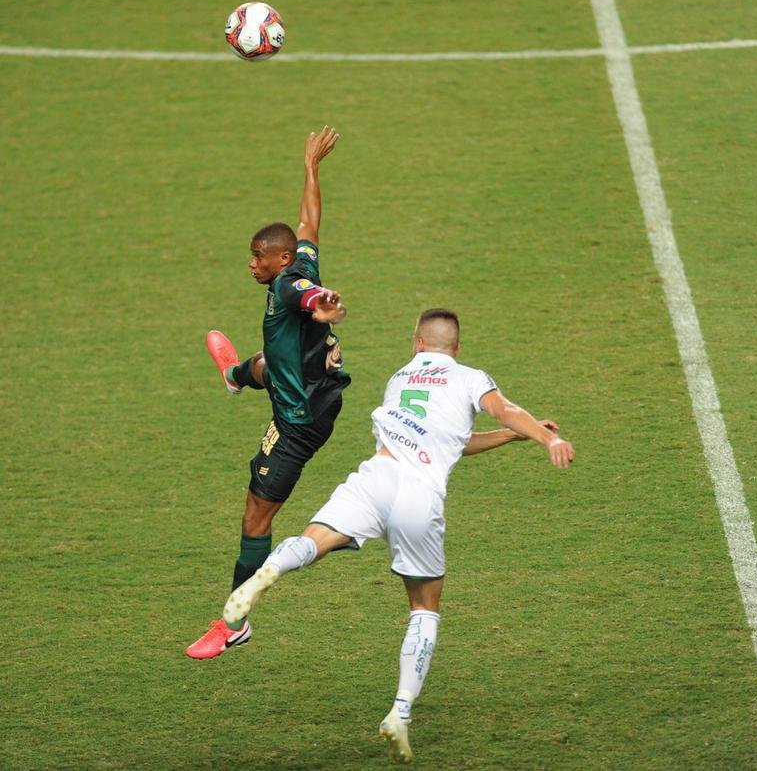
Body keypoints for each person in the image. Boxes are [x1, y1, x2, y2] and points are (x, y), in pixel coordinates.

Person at [217, 308, 574, 763]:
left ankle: (266, 574)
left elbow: (452, 438)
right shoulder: (470, 378)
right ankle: (400, 712)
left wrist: (508, 438)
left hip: (377, 478)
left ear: (417, 344)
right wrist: (546, 439)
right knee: (424, 606)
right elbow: (505, 409)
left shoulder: (400, 378)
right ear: (457, 348)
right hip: (419, 497)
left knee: (316, 539)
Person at [186, 127, 351, 660]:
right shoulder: (301, 259)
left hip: (297, 422)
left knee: (255, 517)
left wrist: (324, 305)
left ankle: (234, 622)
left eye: (259, 256)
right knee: (268, 361)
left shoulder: (290, 283)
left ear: (280, 262)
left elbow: (309, 296)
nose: (251, 263)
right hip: (322, 390)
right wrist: (311, 168)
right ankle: (237, 376)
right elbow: (309, 222)